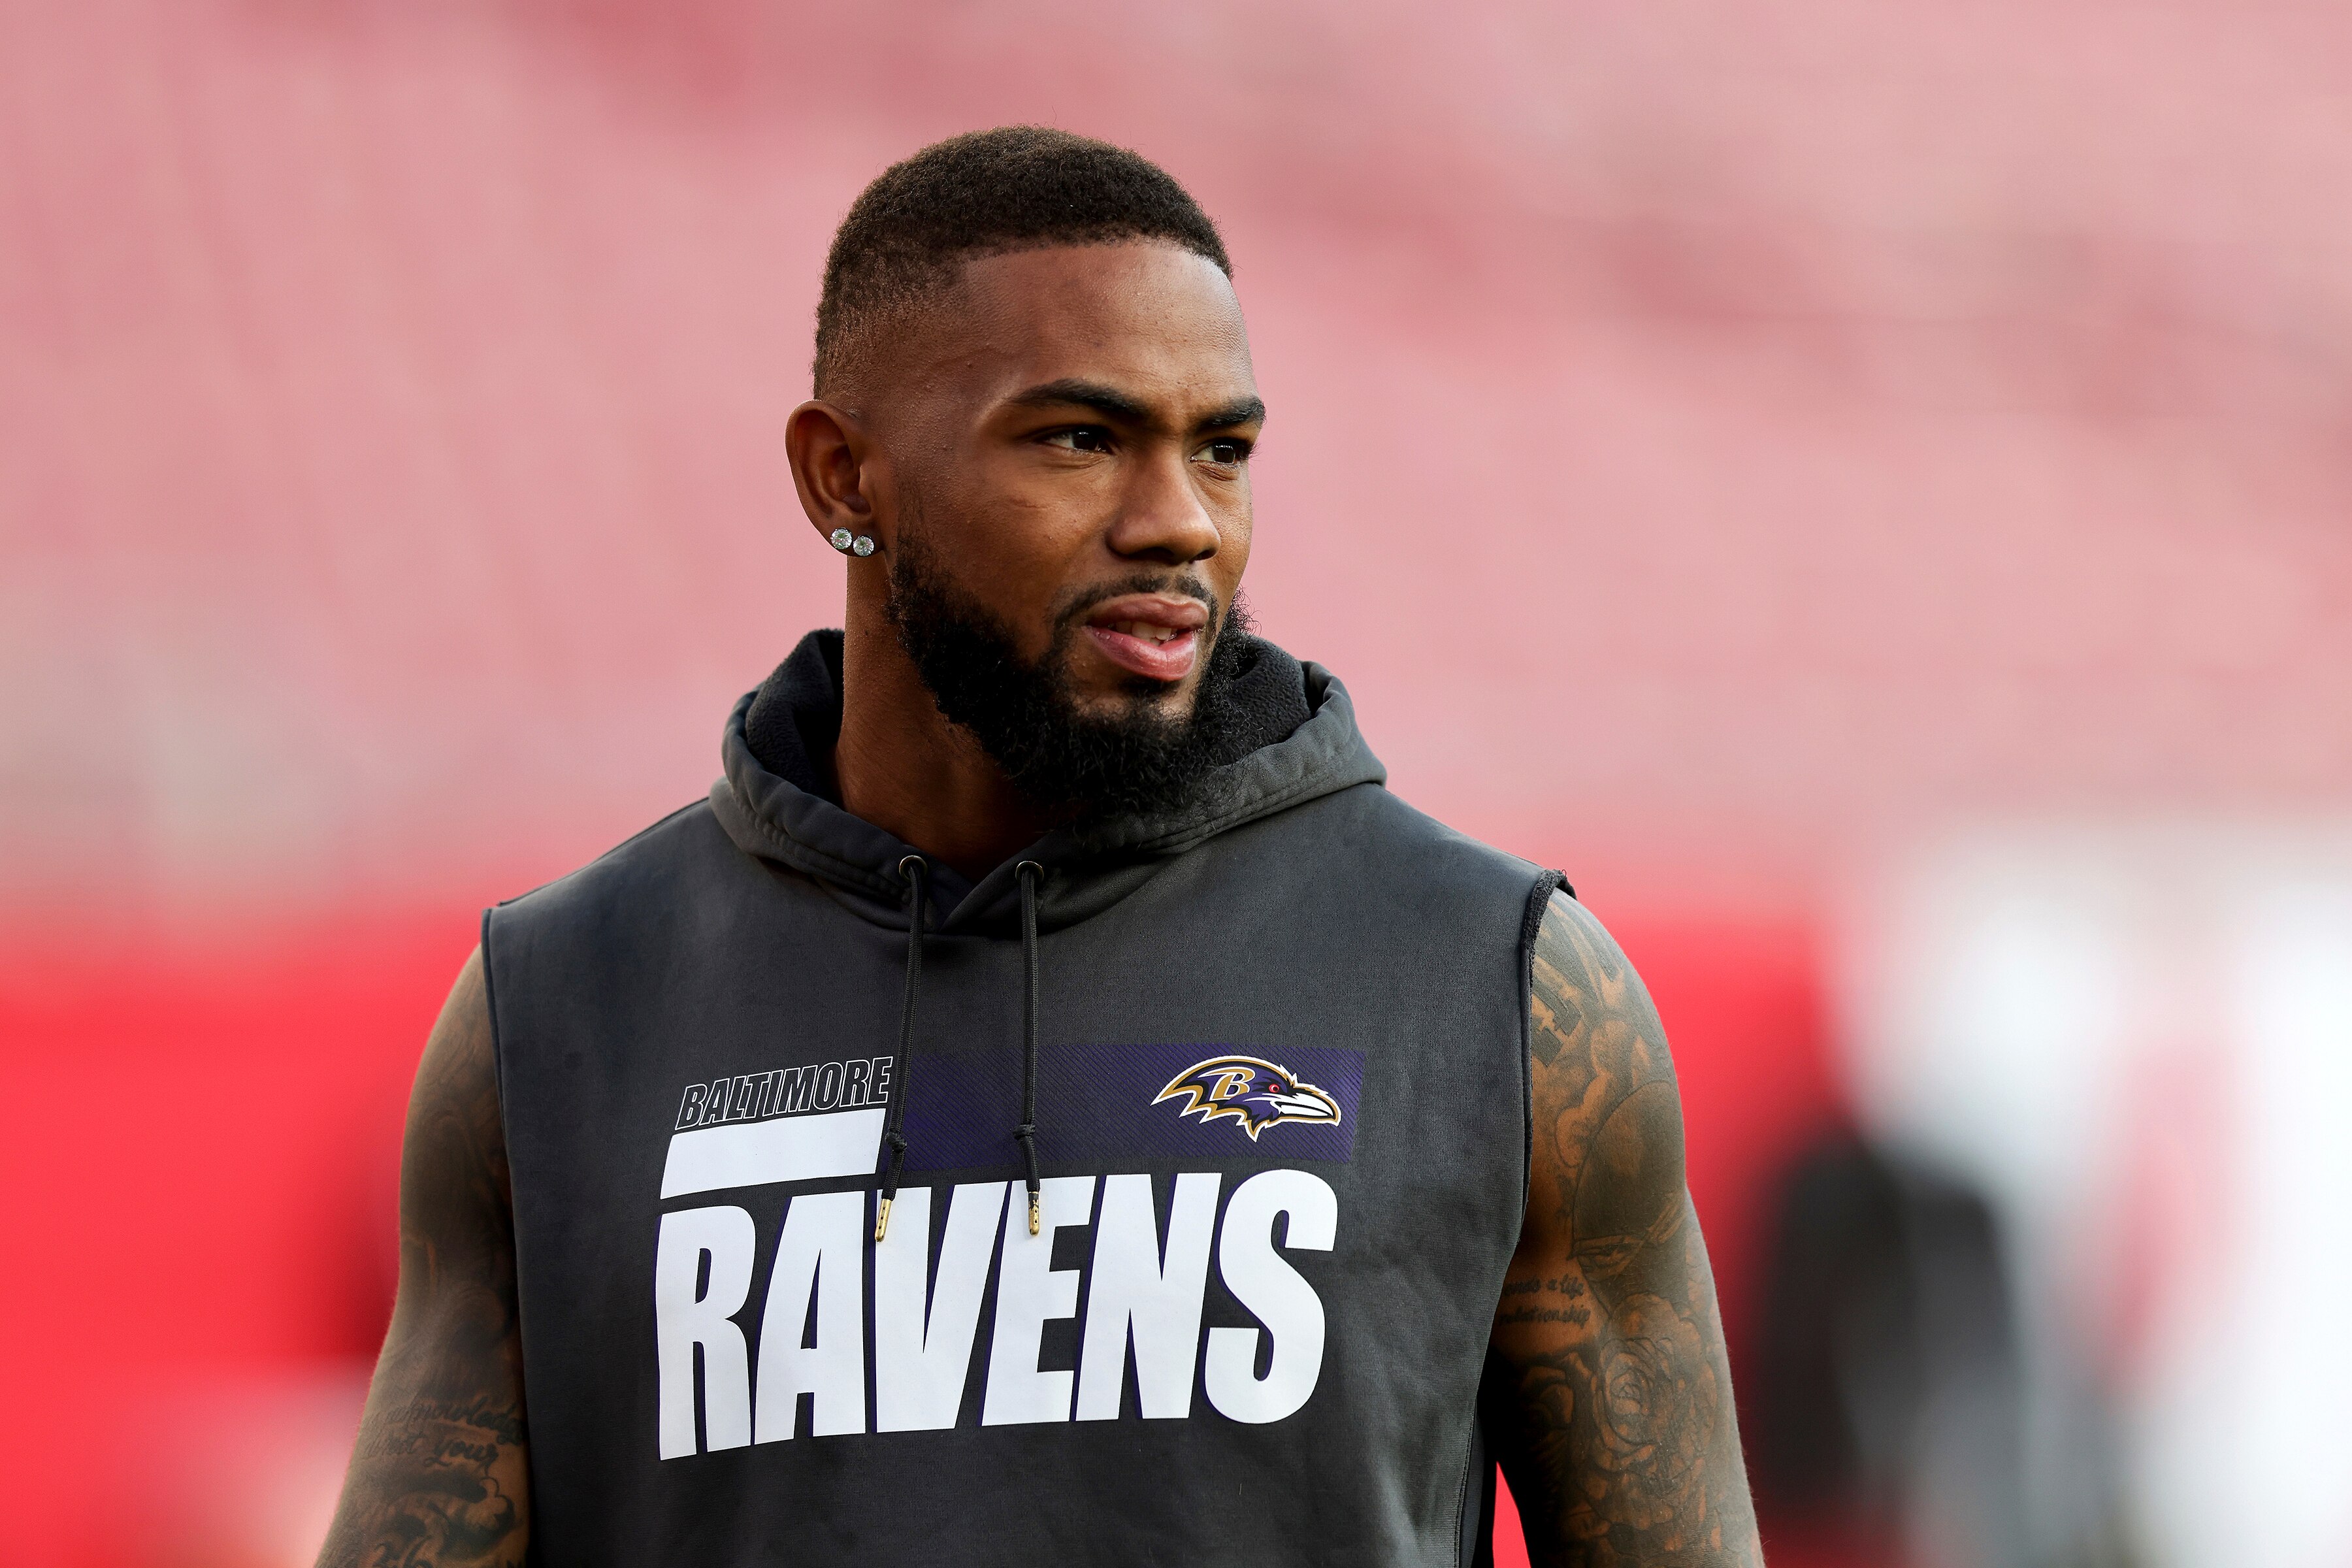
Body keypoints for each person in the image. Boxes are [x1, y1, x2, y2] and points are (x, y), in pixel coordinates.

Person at [318, 126, 1763, 1568]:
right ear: (844, 480)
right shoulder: (563, 1006)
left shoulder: (1502, 993)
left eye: (1223, 449)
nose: (1180, 523)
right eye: (1081, 438)